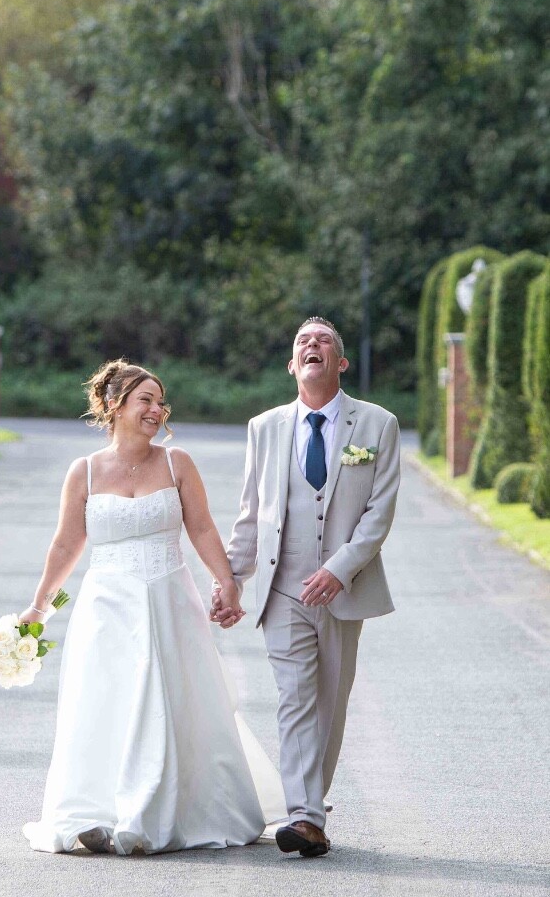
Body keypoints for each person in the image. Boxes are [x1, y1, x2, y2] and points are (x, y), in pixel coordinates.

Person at [21, 359, 285, 856]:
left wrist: (226, 582)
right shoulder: (84, 472)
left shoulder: (176, 463)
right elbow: (66, 544)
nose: (157, 410)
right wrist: (39, 608)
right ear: (114, 405)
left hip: (169, 601)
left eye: (161, 402)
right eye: (145, 400)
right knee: (108, 702)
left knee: (170, 703)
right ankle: (97, 810)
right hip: (107, 607)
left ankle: (168, 810)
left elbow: (201, 528)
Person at [212, 316, 400, 858]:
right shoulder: (264, 427)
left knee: (329, 705)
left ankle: (309, 806)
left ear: (341, 362)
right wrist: (232, 580)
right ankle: (305, 817)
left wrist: (340, 569)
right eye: (302, 342)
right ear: (292, 365)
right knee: (294, 698)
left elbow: (379, 513)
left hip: (343, 589)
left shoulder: (378, 424)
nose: (311, 345)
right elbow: (251, 514)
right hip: (283, 589)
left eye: (323, 341)